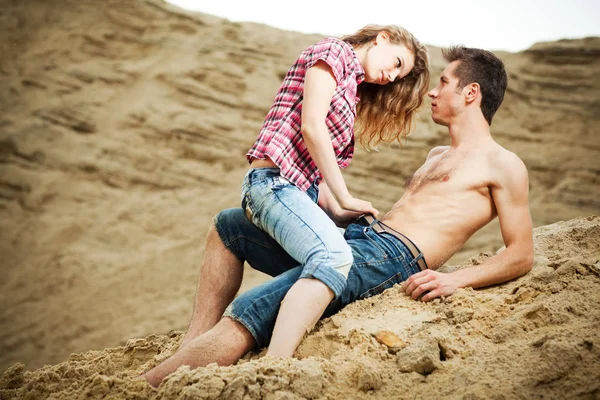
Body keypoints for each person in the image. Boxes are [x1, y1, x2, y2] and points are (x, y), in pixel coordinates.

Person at [141, 45, 534, 388]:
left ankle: (143, 387)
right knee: (230, 226)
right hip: (359, 240)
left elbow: (521, 253)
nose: (433, 90)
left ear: (471, 92)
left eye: (444, 82)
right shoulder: (437, 155)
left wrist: (454, 279)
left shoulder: (503, 164)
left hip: (391, 260)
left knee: (254, 308)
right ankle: (195, 340)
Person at [239, 24, 430, 358]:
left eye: (399, 77)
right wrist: (345, 197)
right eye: (397, 63)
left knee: (335, 250)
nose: (392, 77)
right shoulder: (335, 52)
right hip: (273, 184)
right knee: (335, 256)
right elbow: (311, 126)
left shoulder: (351, 89)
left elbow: (317, 176)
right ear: (381, 38)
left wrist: (344, 211)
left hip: (295, 193)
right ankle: (275, 363)